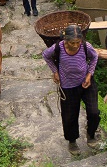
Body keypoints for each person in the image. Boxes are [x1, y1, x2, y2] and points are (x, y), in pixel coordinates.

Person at [42, 24, 100, 154]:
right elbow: (46, 55)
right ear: (65, 40)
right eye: (72, 43)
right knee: (69, 116)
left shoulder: (85, 46)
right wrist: (55, 71)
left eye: (78, 42)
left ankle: (91, 134)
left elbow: (94, 57)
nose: (75, 45)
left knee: (94, 112)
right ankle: (72, 141)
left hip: (86, 83)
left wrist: (89, 75)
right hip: (68, 86)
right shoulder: (58, 47)